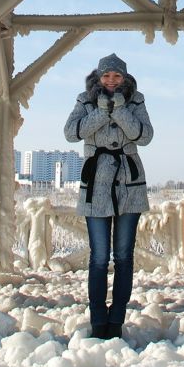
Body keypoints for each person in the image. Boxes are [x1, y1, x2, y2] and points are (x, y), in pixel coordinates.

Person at [64, 53, 153, 339]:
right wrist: (102, 111)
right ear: (98, 77)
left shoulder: (136, 100)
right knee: (99, 257)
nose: (112, 80)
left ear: (124, 78)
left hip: (129, 182)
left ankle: (117, 319)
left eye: (117, 76)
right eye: (106, 76)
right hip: (97, 184)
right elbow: (71, 133)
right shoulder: (84, 100)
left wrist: (120, 111)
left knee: (124, 255)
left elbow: (145, 135)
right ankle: (97, 320)